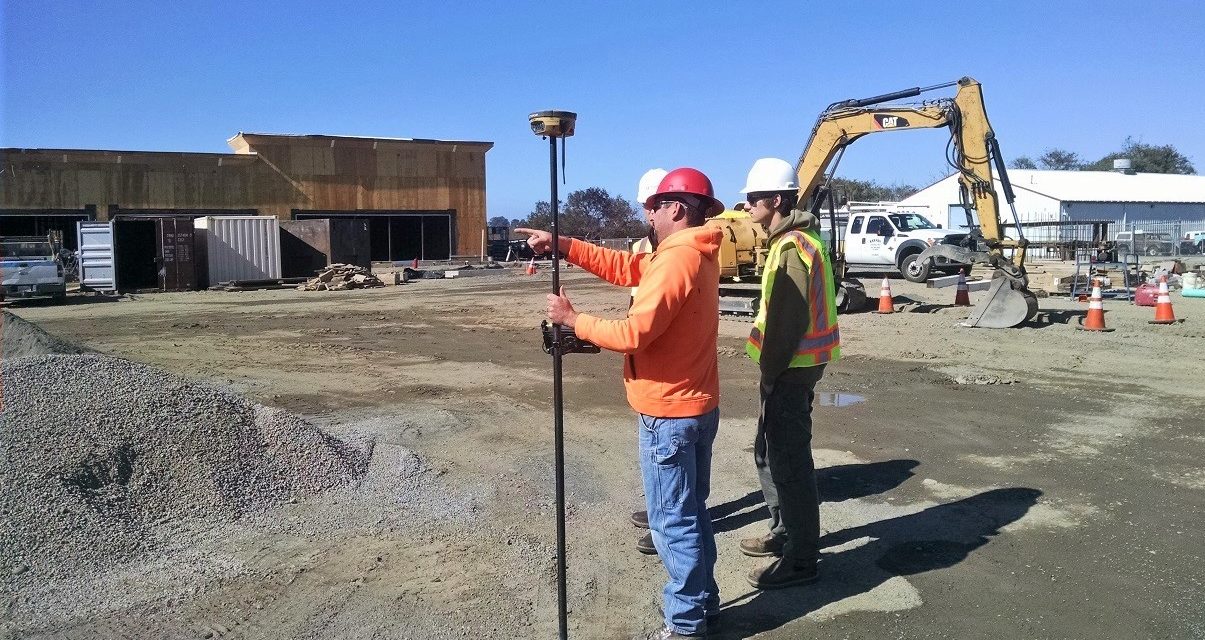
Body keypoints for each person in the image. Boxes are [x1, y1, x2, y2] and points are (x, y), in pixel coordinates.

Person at [516, 167, 724, 639]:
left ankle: (687, 624)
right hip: (693, 404)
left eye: (652, 206)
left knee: (673, 522)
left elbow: (634, 334)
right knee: (691, 512)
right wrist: (564, 243)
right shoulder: (690, 253)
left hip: (669, 412)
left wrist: (574, 319)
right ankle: (703, 604)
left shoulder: (676, 260)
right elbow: (626, 268)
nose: (647, 214)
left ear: (675, 208)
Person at [737, 158, 841, 590]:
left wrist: (770, 370)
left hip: (790, 368)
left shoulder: (792, 247)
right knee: (770, 452)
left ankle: (801, 558)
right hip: (794, 367)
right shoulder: (796, 241)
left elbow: (786, 322)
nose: (746, 207)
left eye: (752, 199)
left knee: (790, 462)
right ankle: (785, 533)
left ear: (775, 200)